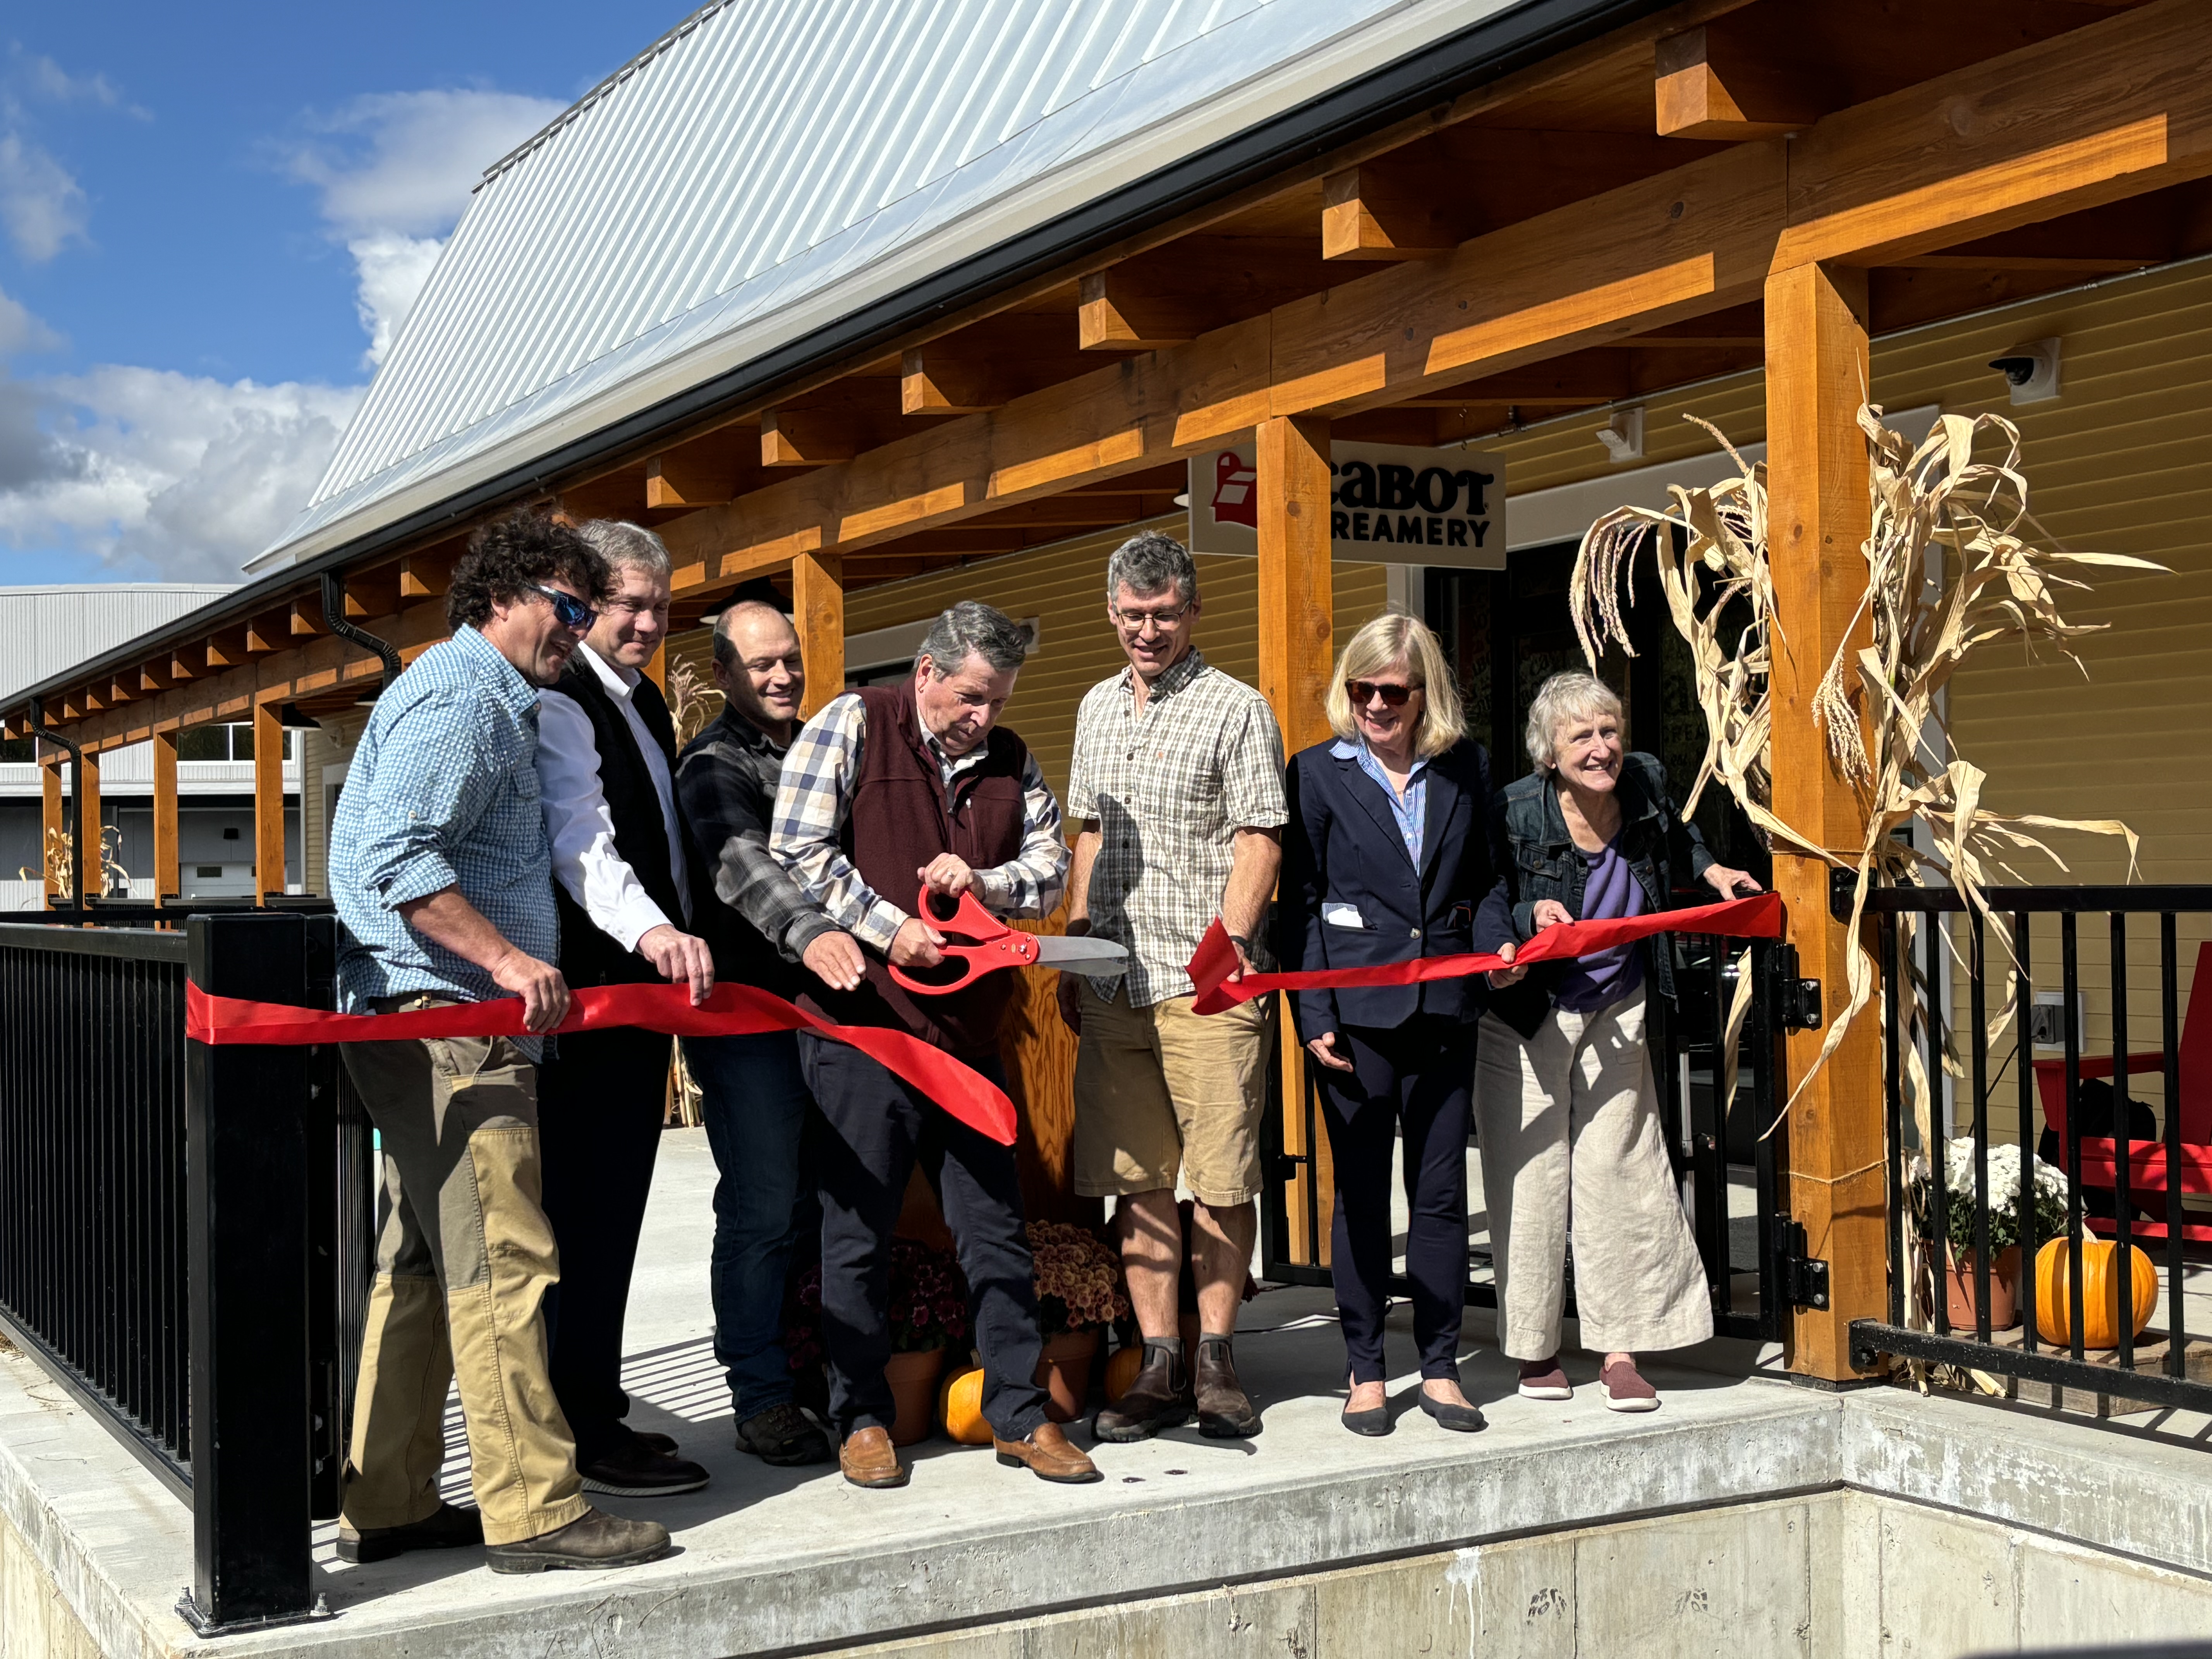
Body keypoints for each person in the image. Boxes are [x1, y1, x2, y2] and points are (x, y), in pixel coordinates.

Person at [327, 512, 671, 1573]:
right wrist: (511, 962)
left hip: (424, 1017)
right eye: (569, 607)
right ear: (505, 594)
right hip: (452, 1023)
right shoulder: (467, 696)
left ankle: (385, 1502)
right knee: (506, 1261)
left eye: (586, 609)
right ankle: (535, 1510)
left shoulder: (485, 694)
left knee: (423, 1265)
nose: (579, 628)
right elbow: (401, 860)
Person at [771, 600, 1098, 1489]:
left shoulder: (1014, 760)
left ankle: (1020, 1415)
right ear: (925, 673)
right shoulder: (854, 723)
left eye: (994, 701)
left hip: (964, 1038)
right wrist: (888, 928)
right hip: (863, 1032)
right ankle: (863, 1417)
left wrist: (980, 879)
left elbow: (1044, 868)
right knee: (857, 1234)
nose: (981, 718)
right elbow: (796, 850)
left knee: (995, 1228)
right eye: (967, 698)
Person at [1473, 670, 1760, 1412]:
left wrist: (1712, 870)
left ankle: (1621, 1349)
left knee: (1622, 1174)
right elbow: (1488, 893)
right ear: (1550, 751)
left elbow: (1678, 837)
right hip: (1527, 1013)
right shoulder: (1514, 810)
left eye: (1609, 732)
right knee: (1533, 1180)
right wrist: (1522, 921)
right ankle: (1535, 1351)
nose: (1602, 749)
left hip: (1619, 1005)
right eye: (1582, 737)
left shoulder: (1645, 782)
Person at [1061, 531, 1285, 1443]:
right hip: (1113, 984)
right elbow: (1085, 833)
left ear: (1193, 612)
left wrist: (1229, 945)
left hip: (1206, 986)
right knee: (1140, 1180)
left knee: (1221, 1178)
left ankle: (1218, 1359)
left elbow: (1260, 836)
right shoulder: (1093, 708)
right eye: (1131, 615)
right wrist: (1075, 942)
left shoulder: (1237, 708)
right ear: (1112, 613)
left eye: (1162, 615)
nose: (1146, 631)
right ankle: (1156, 1362)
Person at [1281, 613, 1499, 1436]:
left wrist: (1495, 944)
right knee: (1363, 1198)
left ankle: (1440, 1368)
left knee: (1439, 1198)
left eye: (1393, 692)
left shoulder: (1464, 768)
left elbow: (1489, 883)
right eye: (1363, 688)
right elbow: (1300, 905)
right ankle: (1366, 1370)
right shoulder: (1317, 775)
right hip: (1355, 1023)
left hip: (1444, 1013)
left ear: (1424, 696)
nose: (1375, 704)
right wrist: (1312, 1013)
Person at [533, 520, 716, 1498]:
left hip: (642, 1004)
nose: (646, 622)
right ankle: (572, 1430)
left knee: (616, 1214)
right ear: (585, 602)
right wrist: (656, 937)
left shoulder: (639, 695)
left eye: (659, 604)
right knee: (582, 1217)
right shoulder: (566, 701)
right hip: (594, 1001)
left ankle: (595, 1407)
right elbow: (585, 847)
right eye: (626, 604)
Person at [674, 598, 869, 1469]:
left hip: (834, 1014)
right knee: (761, 1208)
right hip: (750, 1019)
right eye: (763, 665)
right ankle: (760, 1395)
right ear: (724, 675)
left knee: (825, 1205)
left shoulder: (825, 752)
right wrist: (814, 934)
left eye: (791, 660)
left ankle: (821, 1372)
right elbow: (742, 867)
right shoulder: (712, 765)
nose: (784, 676)